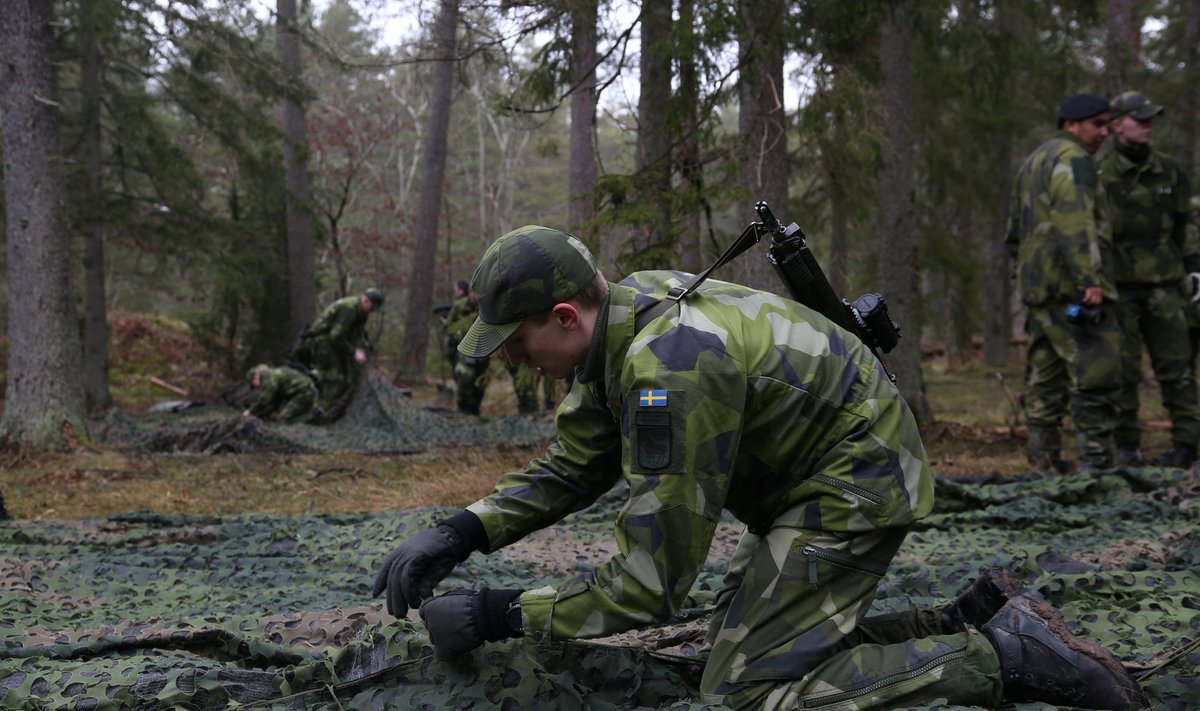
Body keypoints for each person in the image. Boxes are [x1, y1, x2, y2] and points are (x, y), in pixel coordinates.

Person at [371, 225, 1142, 710]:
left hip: (854, 481)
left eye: (513, 342)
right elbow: (576, 462)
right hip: (814, 476)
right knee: (742, 642)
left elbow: (651, 584)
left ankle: (999, 657)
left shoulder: (665, 371)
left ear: (566, 317)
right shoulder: (629, 316)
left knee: (746, 689)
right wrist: (462, 530)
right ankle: (966, 618)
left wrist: (501, 612)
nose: (509, 359)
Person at [1005, 92, 1122, 473]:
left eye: (1107, 124)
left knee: (1045, 373)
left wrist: (1025, 274)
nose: (1104, 132)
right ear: (1071, 125)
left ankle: (1044, 460)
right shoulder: (1076, 160)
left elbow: (1014, 230)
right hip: (1071, 285)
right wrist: (1089, 280)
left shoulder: (1034, 161)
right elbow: (1075, 221)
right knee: (1095, 369)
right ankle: (1098, 465)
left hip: (1039, 286)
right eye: (1097, 124)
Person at [1096, 91, 1200, 468]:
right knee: (1122, 369)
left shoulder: (1170, 170)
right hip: (1118, 287)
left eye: (1150, 120)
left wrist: (1193, 266)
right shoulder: (1099, 174)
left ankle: (1188, 445)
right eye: (1139, 120)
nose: (1147, 126)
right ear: (1116, 124)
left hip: (1165, 285)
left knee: (1178, 366)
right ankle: (1127, 446)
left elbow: (1185, 223)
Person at [293, 288, 383, 412]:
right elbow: (335, 336)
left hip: (335, 345)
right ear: (366, 300)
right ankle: (322, 412)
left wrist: (364, 348)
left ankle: (331, 410)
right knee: (334, 379)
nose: (372, 311)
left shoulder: (361, 312)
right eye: (372, 307)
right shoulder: (349, 309)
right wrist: (353, 351)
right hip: (324, 344)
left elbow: (357, 334)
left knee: (347, 379)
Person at [242, 364, 318, 424]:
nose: (255, 387)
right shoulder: (272, 376)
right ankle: (311, 415)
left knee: (283, 419)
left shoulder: (268, 377)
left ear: (255, 377)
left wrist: (250, 411)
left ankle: (312, 417)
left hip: (304, 391)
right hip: (300, 391)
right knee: (279, 416)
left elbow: (264, 400)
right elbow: (274, 401)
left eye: (253, 384)